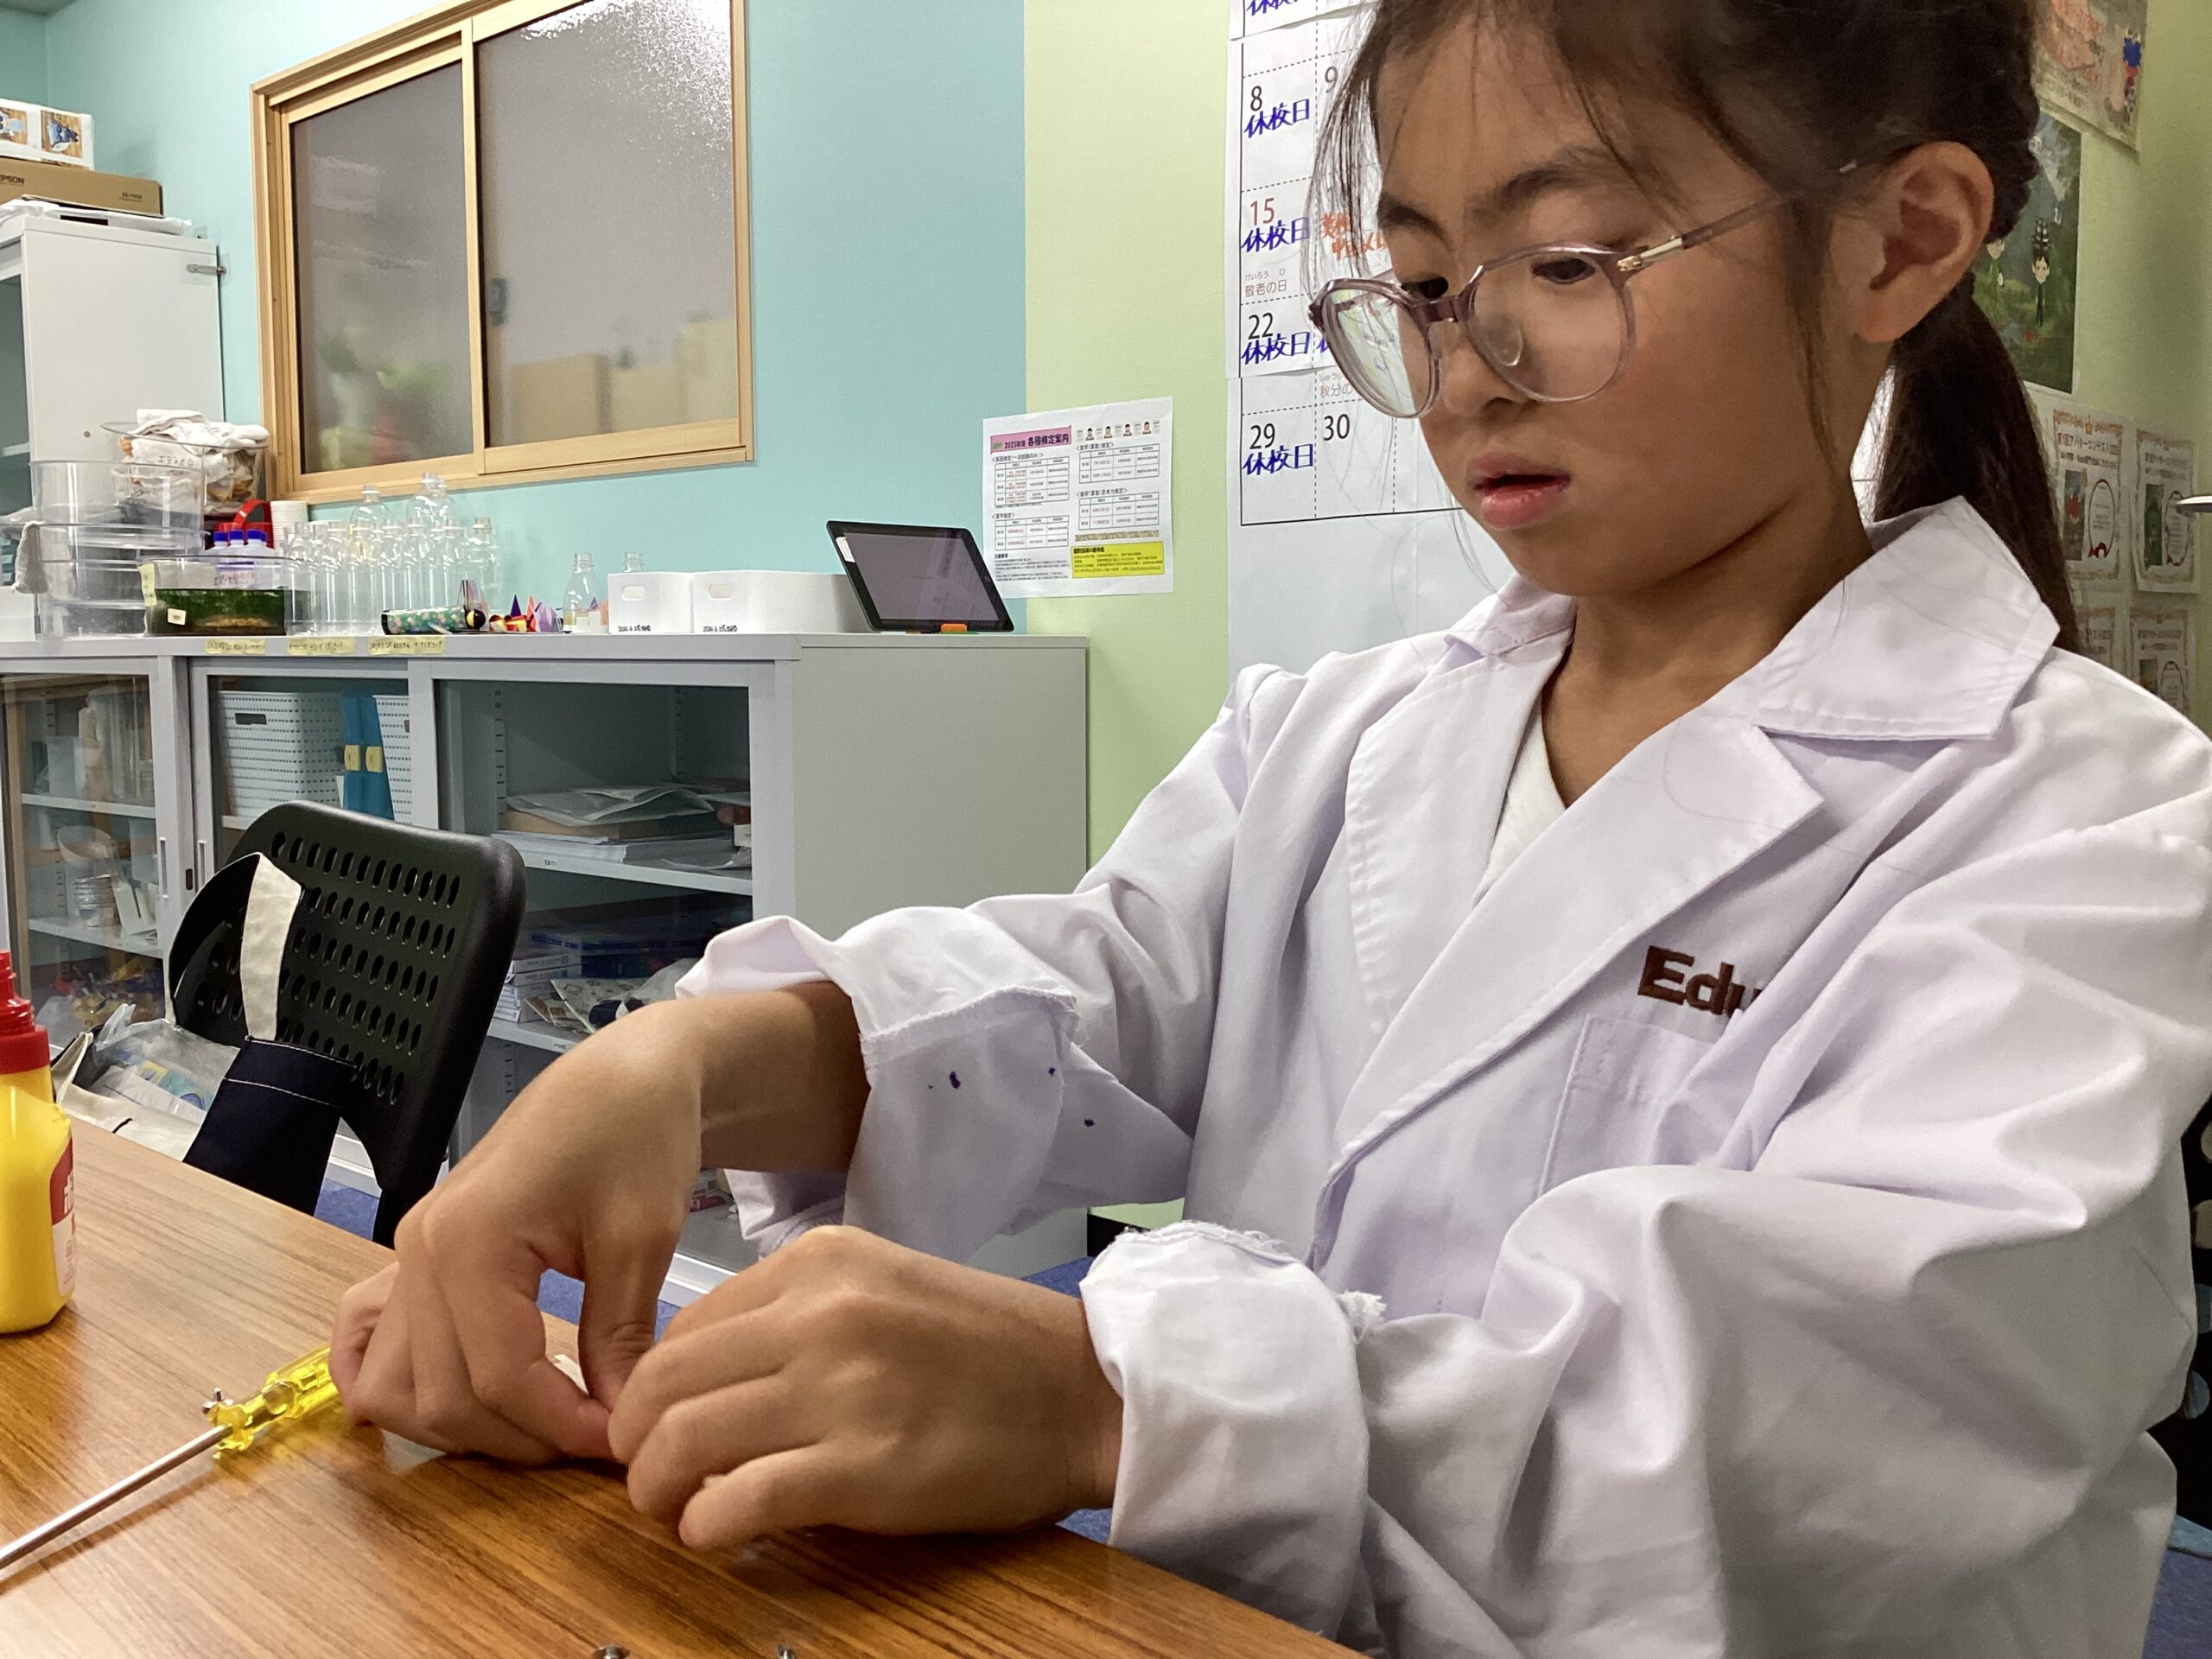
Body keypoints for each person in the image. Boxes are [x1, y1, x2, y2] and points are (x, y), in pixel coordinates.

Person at [331, 0, 2212, 1651]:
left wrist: (1107, 1398)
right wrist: (683, 1064)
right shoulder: (1343, 733)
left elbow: (1815, 1433)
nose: (1465, 368)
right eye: (1421, 286)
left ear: (1901, 239)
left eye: (1566, 261)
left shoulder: (2079, 820)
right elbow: (1090, 994)